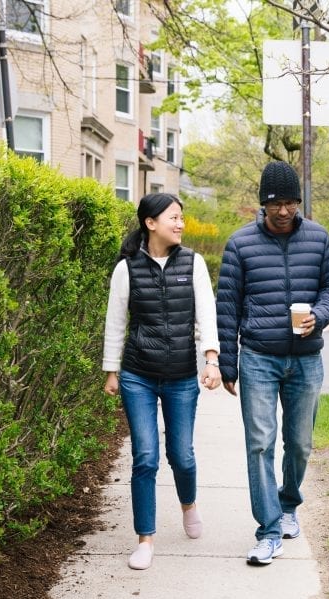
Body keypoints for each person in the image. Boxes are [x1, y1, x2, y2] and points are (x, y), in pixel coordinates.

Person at [216, 161, 329, 566]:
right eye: (277, 204)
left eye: (291, 202)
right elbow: (227, 307)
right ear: (263, 204)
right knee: (259, 445)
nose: (285, 211)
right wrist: (228, 364)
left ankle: (289, 504)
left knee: (300, 443)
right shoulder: (240, 244)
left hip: (306, 359)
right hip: (258, 357)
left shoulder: (319, 238)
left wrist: (319, 316)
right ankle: (268, 530)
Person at [102, 193, 222, 570]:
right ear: (150, 223)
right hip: (138, 374)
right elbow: (116, 321)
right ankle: (145, 539)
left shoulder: (194, 263)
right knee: (146, 457)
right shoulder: (127, 269)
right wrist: (111, 369)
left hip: (181, 376)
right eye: (173, 217)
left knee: (181, 456)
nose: (180, 224)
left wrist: (211, 359)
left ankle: (189, 505)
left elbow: (206, 313)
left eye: (181, 218)